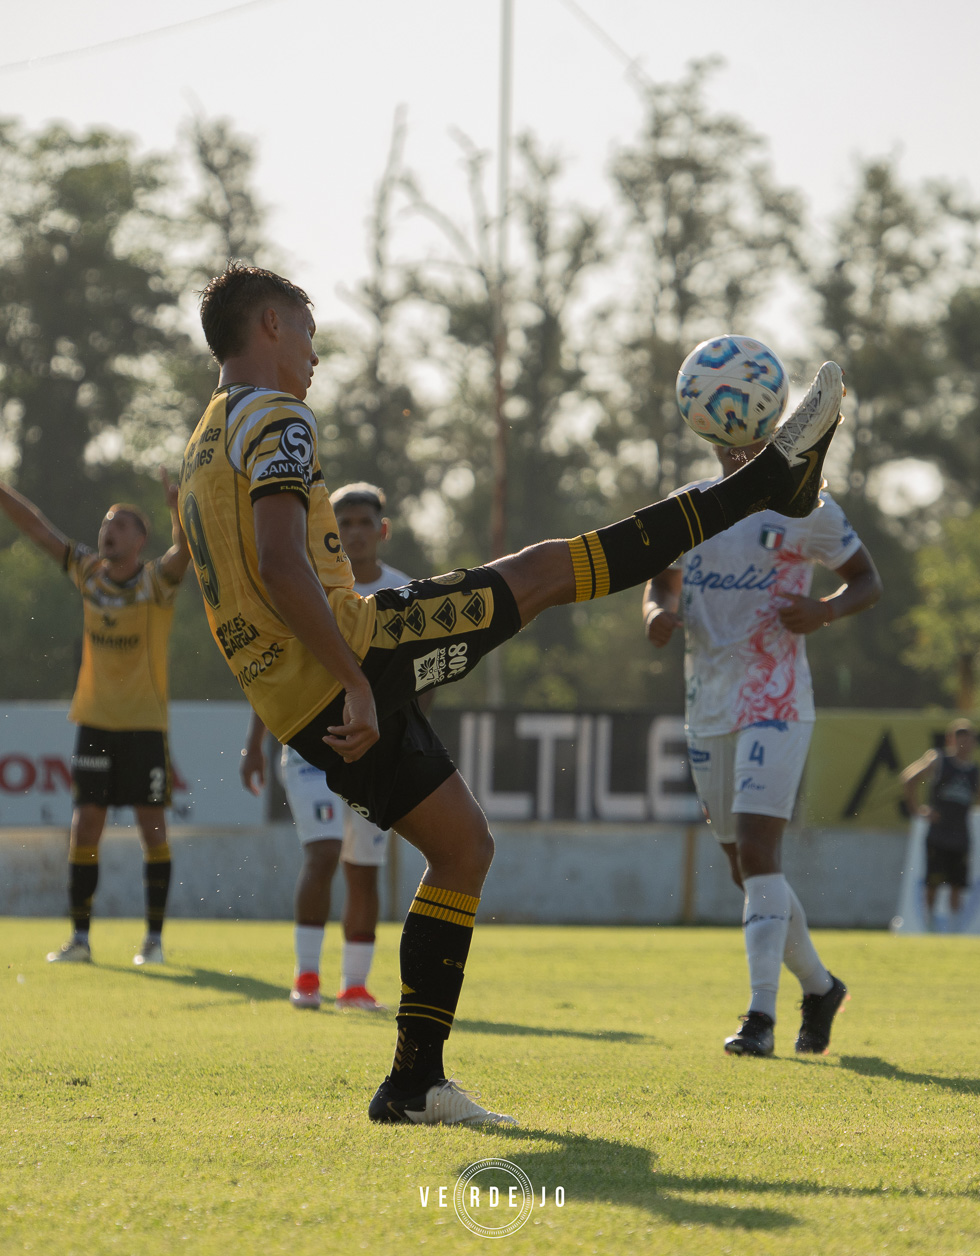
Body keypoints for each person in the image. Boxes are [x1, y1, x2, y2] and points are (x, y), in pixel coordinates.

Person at [179, 263, 845, 1125]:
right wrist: (353, 679)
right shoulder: (276, 416)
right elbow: (279, 561)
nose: (316, 351)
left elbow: (245, 579)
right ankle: (764, 486)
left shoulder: (202, 436)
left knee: (461, 850)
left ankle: (415, 1082)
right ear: (268, 324)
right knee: (547, 570)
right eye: (307, 329)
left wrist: (317, 687)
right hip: (354, 655)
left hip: (292, 697)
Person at [641, 447, 880, 1058]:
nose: (740, 442)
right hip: (708, 707)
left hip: (776, 700)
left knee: (757, 853)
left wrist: (824, 610)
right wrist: (656, 613)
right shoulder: (689, 506)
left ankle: (760, 1017)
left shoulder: (807, 509)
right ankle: (822, 989)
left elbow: (867, 580)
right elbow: (661, 579)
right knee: (742, 869)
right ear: (716, 435)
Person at [0, 441, 190, 967]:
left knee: (151, 828)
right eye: (106, 522)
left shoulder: (156, 583)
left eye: (121, 524)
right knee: (85, 824)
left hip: (143, 727)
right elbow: (37, 527)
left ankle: (153, 939)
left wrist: (179, 512)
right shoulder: (87, 573)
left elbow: (186, 554)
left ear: (140, 538)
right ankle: (80, 938)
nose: (107, 529)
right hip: (94, 723)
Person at [241, 483, 411, 1012]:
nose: (355, 532)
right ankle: (306, 978)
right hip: (312, 750)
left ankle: (355, 987)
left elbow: (419, 679)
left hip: (377, 751)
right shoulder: (304, 585)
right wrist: (255, 745)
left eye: (365, 522)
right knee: (321, 854)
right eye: (344, 523)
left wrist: (402, 736)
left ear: (382, 531)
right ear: (327, 532)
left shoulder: (403, 590)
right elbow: (275, 671)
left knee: (363, 868)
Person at [899, 719, 980, 930]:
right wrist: (917, 810)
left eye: (970, 741)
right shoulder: (939, 761)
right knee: (934, 883)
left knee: (958, 884)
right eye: (961, 740)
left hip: (961, 835)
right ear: (951, 740)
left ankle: (954, 928)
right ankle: (929, 925)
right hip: (939, 833)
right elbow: (908, 779)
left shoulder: (974, 771)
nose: (965, 745)